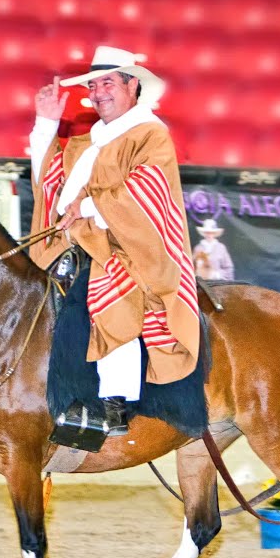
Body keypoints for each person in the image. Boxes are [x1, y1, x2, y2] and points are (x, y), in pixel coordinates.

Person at [27, 45, 200, 436]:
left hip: (128, 249)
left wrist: (87, 209)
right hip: (77, 244)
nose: (98, 90)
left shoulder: (151, 135)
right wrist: (46, 124)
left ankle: (114, 403)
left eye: (108, 81)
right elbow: (50, 182)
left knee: (106, 286)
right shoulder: (87, 143)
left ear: (132, 85)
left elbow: (148, 192)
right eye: (93, 83)